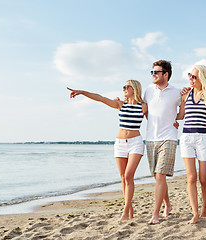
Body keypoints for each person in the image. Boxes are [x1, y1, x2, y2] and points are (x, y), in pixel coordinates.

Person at [67, 80, 147, 221]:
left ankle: (125, 211)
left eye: (126, 87)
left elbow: (157, 119)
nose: (123, 89)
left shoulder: (144, 106)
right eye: (123, 87)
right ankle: (130, 209)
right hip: (120, 144)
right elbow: (100, 98)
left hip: (136, 143)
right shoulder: (120, 104)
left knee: (128, 176)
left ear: (134, 89)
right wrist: (82, 92)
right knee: (123, 178)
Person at [143, 60, 183, 224]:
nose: (153, 75)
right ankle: (168, 204)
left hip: (169, 137)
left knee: (160, 175)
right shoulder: (147, 91)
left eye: (156, 72)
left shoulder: (177, 92)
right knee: (158, 177)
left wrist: (175, 121)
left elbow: (183, 112)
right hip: (151, 138)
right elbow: (144, 110)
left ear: (165, 74)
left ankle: (155, 214)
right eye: (152, 72)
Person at [176, 65, 206, 224]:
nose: (191, 79)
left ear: (202, 78)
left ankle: (205, 207)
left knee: (203, 178)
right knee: (191, 177)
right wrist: (171, 121)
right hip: (187, 137)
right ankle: (195, 213)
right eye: (190, 76)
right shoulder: (186, 94)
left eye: (194, 77)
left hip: (204, 138)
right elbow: (181, 115)